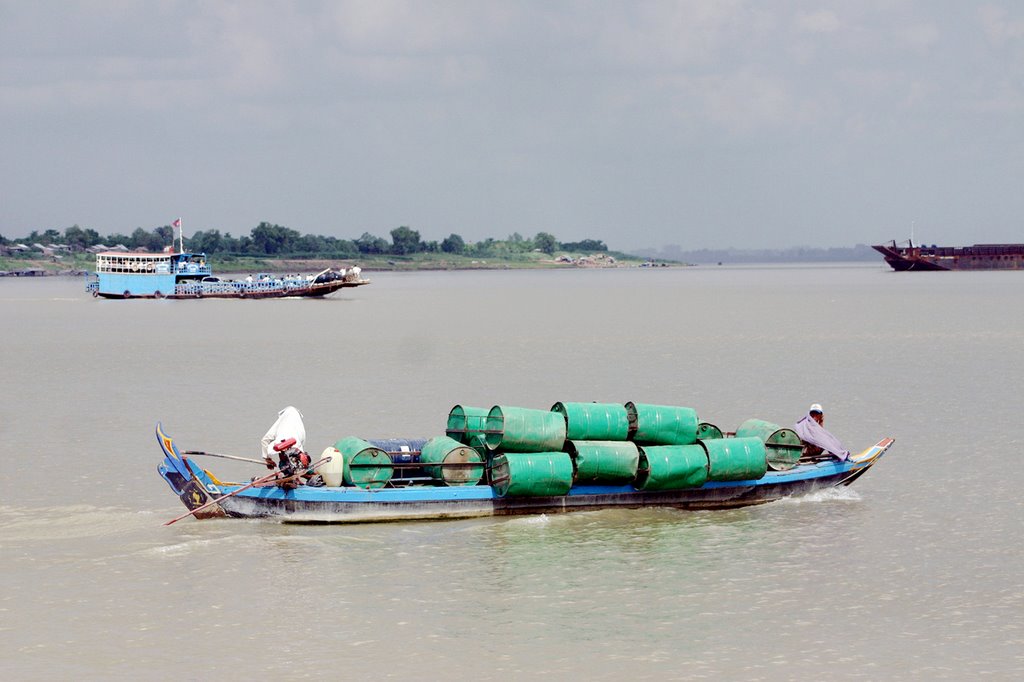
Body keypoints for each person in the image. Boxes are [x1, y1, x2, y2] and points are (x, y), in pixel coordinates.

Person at [260, 406, 311, 487]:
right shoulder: (301, 428)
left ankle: (290, 477)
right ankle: (293, 477)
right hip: (294, 450)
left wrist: (267, 459)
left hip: (282, 447)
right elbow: (302, 446)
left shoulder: (280, 423)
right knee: (298, 460)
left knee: (286, 459)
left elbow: (264, 440)